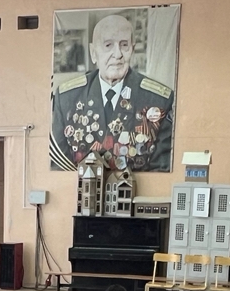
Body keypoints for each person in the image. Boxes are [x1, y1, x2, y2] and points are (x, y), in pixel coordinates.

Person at [49, 13, 173, 173]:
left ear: (132, 49)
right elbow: (59, 167)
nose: (118, 54)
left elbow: (162, 172)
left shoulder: (158, 100)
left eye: (124, 45)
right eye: (108, 45)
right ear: (93, 52)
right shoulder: (67, 98)